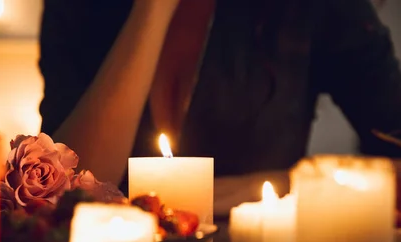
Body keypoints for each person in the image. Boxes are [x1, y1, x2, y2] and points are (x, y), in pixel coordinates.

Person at [38, 0, 401, 214]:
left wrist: (288, 183)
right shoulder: (79, 9)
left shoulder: (316, 9)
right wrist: (152, 11)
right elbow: (62, 190)